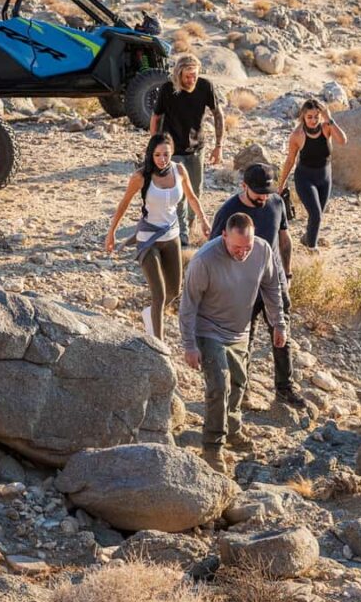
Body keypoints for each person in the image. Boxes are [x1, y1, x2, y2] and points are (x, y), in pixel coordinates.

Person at [180, 212, 286, 473]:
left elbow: (272, 287)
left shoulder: (262, 250)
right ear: (224, 235)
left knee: (239, 385)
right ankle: (212, 446)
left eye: (246, 247)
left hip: (239, 332)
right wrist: (189, 345)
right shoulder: (204, 260)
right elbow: (188, 305)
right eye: (237, 247)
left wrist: (279, 323)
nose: (243, 253)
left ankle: (233, 429)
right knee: (219, 385)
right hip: (209, 330)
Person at [209, 163, 304, 407]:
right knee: (244, 338)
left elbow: (284, 239)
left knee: (282, 334)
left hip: (274, 281)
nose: (263, 196)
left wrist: (288, 274)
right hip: (242, 286)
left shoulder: (276, 202)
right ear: (244, 186)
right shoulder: (230, 211)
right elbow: (214, 249)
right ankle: (242, 390)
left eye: (267, 191)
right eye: (258, 192)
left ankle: (285, 387)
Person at [106, 133, 210, 340]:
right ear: (150, 155)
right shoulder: (141, 176)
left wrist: (204, 221)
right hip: (148, 239)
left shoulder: (179, 170)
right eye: (157, 155)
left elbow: (191, 197)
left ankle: (149, 314)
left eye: (166, 154)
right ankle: (158, 343)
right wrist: (112, 233)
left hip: (171, 236)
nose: (162, 159)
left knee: (174, 291)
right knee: (160, 295)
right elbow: (124, 204)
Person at [150, 53, 225, 246]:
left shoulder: (205, 86)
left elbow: (218, 114)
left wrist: (219, 146)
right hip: (173, 150)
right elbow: (156, 117)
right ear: (178, 74)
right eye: (188, 76)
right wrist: (154, 146)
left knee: (196, 192)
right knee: (180, 194)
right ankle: (181, 235)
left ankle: (189, 225)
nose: (192, 79)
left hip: (196, 148)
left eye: (195, 75)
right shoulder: (168, 89)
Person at [277, 99, 347, 251]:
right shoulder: (297, 135)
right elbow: (290, 161)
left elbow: (342, 141)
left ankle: (307, 238)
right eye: (310, 117)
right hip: (305, 178)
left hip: (325, 178)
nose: (314, 120)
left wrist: (329, 119)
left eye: (317, 116)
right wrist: (281, 184)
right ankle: (312, 250)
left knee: (317, 216)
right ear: (303, 116)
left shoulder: (326, 128)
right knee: (315, 215)